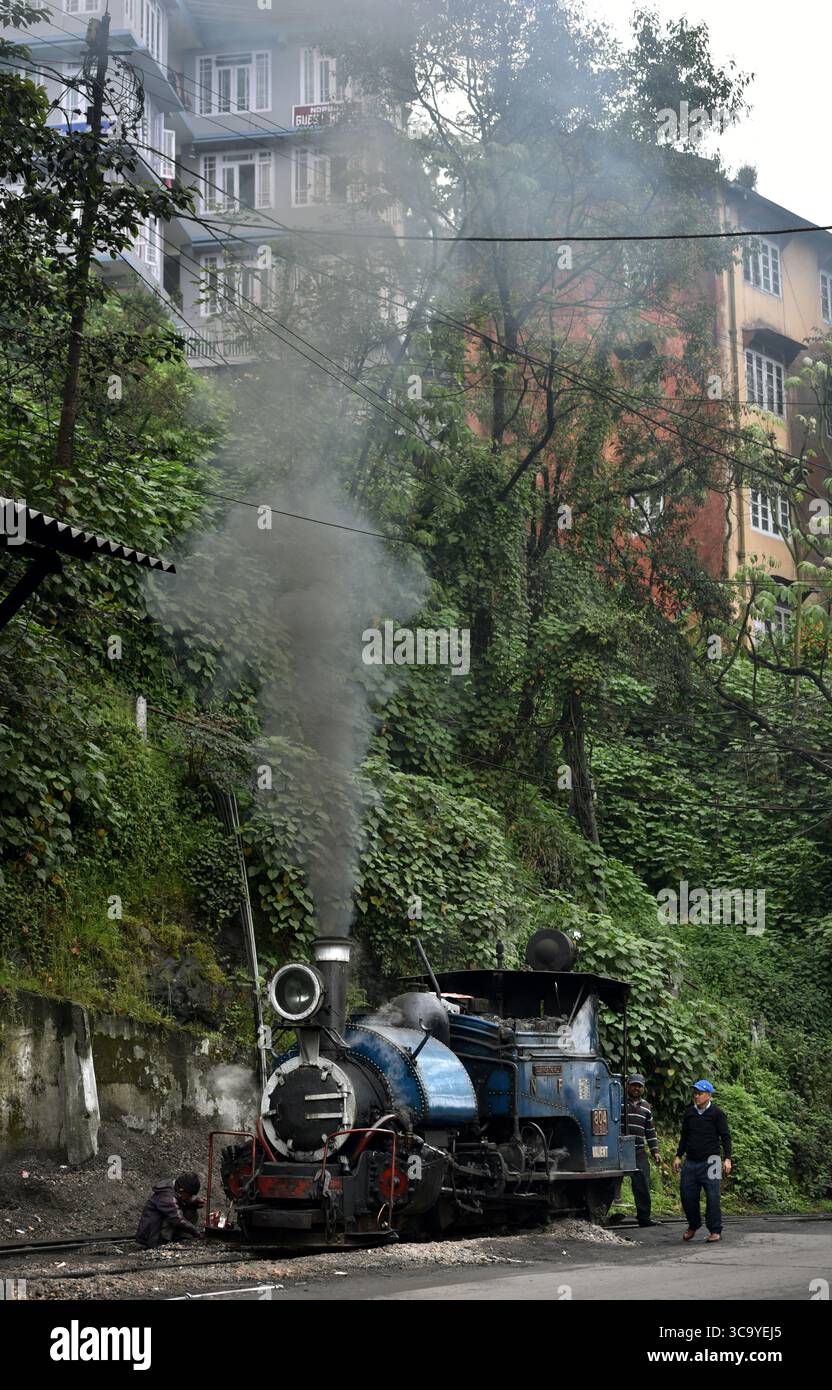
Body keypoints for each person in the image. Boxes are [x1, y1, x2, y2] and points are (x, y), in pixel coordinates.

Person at [673, 1080, 732, 1243]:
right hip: (691, 1161)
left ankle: (715, 1230)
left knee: (713, 1196)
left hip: (712, 1161)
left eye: (700, 1093)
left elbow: (725, 1136)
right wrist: (678, 1155)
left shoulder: (717, 1113)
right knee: (687, 1195)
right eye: (695, 1093)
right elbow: (684, 1137)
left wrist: (727, 1158)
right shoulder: (690, 1113)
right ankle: (694, 1224)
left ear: (709, 1095)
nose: (696, 1096)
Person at [625, 1074, 662, 1226]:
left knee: (642, 1184)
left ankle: (644, 1218)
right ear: (628, 1086)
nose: (636, 1088)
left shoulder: (646, 1107)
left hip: (639, 1150)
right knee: (609, 1182)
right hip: (620, 1148)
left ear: (643, 1088)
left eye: (639, 1086)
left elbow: (650, 1131)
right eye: (634, 1085)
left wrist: (655, 1151)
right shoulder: (618, 1102)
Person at [135, 1172, 204, 1249]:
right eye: (189, 1195)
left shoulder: (175, 1188)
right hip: (151, 1235)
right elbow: (177, 1219)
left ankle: (180, 1238)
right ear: (182, 1190)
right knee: (176, 1217)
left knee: (190, 1210)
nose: (190, 1197)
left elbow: (180, 1202)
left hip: (157, 1228)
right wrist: (196, 1232)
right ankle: (163, 1242)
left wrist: (193, 1203)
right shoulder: (167, 1196)